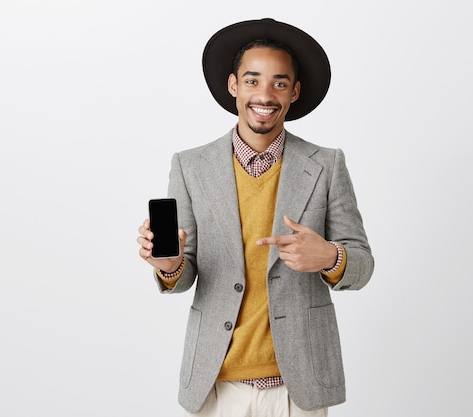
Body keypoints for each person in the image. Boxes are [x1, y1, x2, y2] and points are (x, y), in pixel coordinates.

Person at [137, 18, 374, 417]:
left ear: (295, 92)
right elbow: (185, 270)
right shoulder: (191, 166)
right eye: (252, 80)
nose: (265, 94)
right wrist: (170, 265)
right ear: (233, 85)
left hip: (299, 385)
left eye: (280, 83)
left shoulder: (327, 165)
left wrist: (331, 257)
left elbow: (363, 266)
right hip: (216, 382)